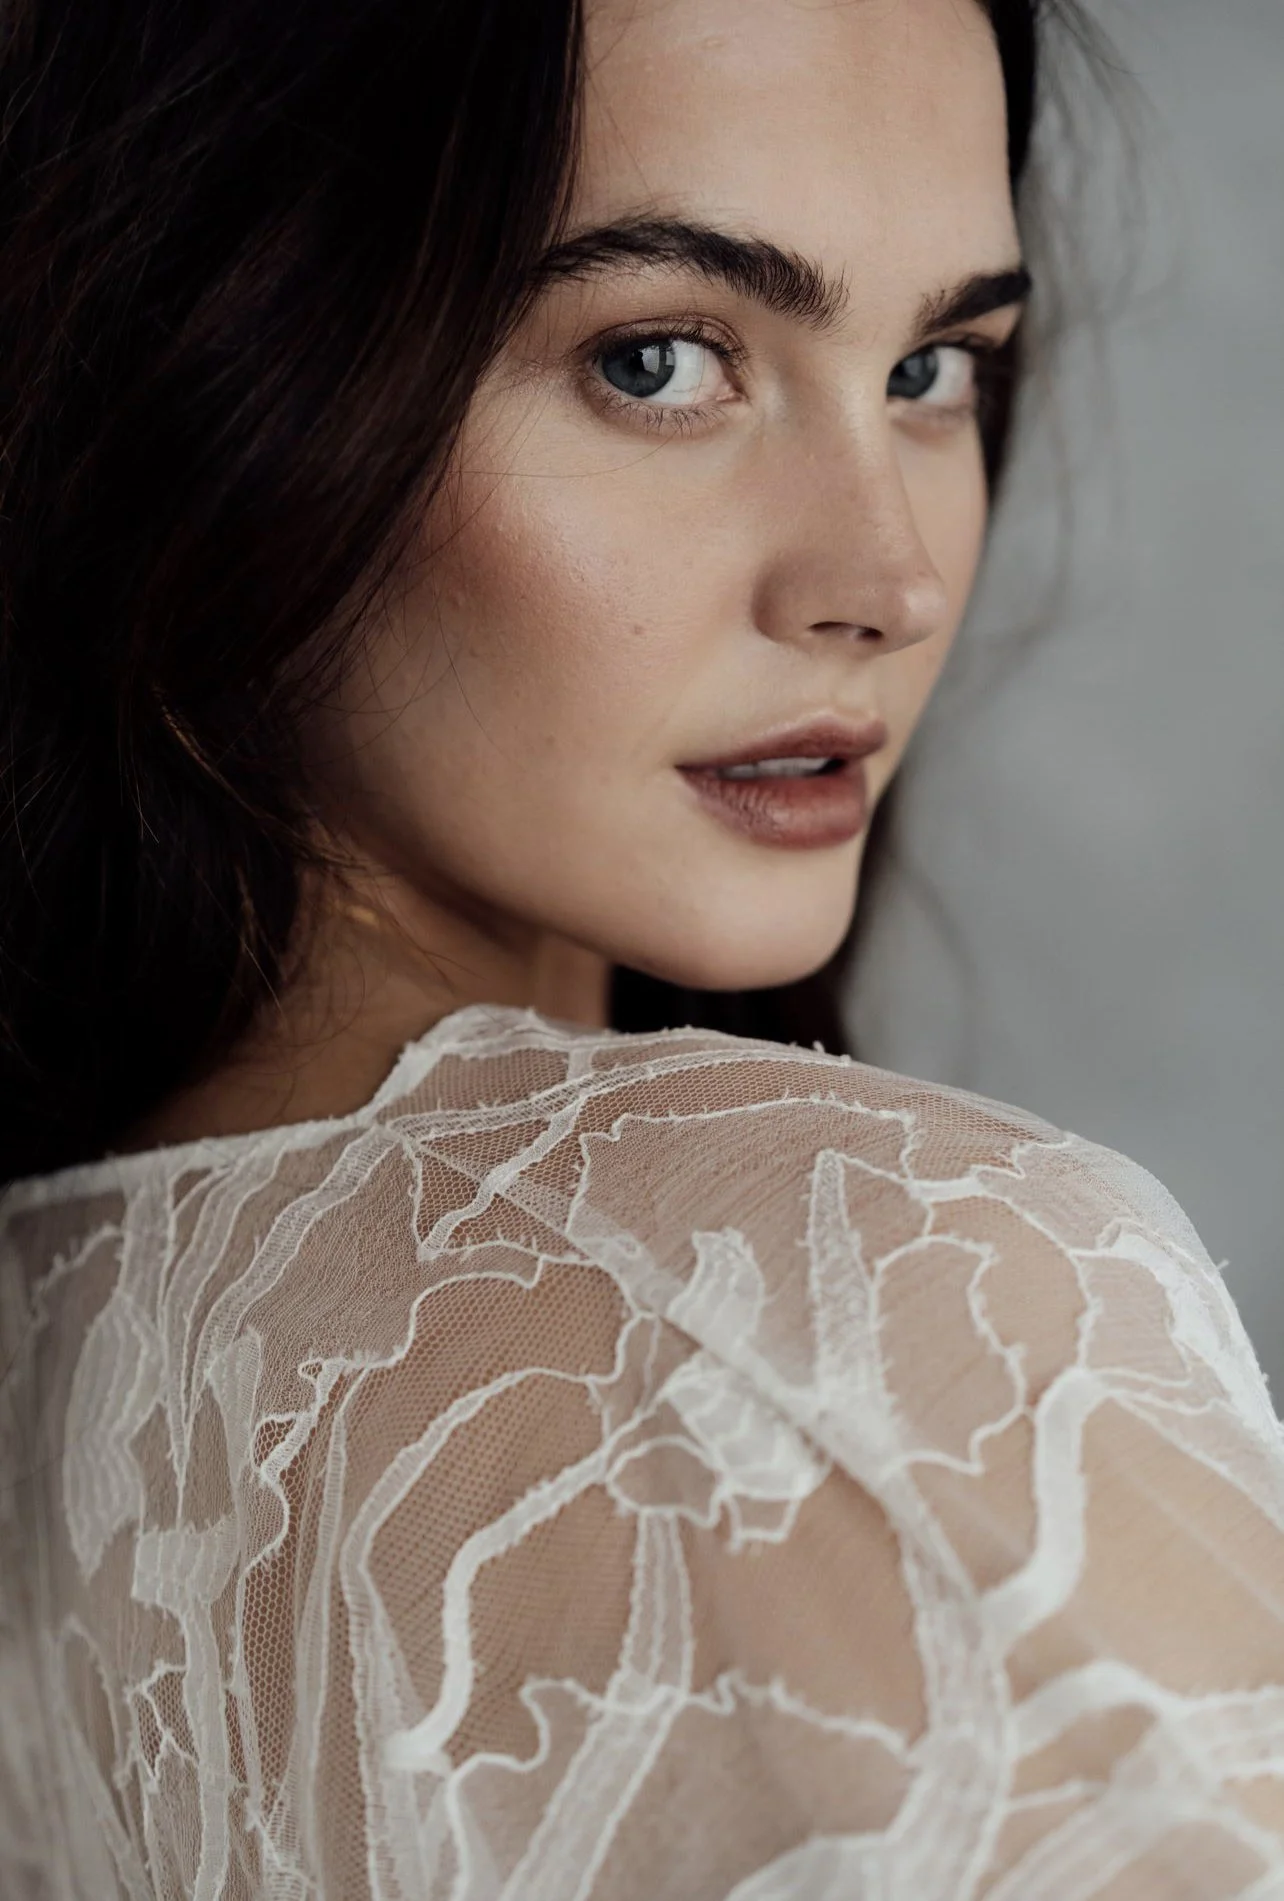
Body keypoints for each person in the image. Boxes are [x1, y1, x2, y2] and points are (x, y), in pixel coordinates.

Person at [1, 0, 1282, 1894]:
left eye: (933, 366)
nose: (885, 580)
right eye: (662, 359)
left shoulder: (66, 1346)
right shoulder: (867, 1316)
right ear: (226, 369)